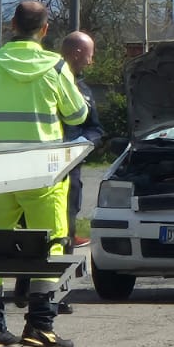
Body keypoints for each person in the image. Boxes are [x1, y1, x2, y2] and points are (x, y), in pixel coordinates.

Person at [0, 1, 89, 347]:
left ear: (11, 25)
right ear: (44, 30)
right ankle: (40, 325)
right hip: (42, 173)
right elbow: (77, 115)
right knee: (51, 243)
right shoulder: (55, 66)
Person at [59, 31, 104, 247]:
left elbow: (95, 128)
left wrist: (82, 145)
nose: (91, 60)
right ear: (77, 53)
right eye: (90, 55)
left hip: (72, 164)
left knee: (70, 203)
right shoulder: (49, 81)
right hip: (45, 160)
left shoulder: (84, 89)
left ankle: (70, 236)